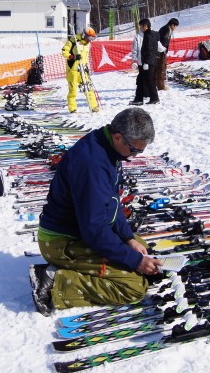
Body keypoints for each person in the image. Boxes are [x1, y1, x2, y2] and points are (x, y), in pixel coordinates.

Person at [30, 107, 163, 316]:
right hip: (61, 242)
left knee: (141, 248)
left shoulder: (107, 147)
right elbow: (94, 230)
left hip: (80, 231)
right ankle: (54, 282)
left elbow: (112, 202)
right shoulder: (92, 165)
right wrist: (134, 262)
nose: (135, 156)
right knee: (133, 286)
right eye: (134, 150)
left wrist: (128, 239)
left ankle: (126, 257)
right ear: (118, 137)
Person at [61, 27, 99, 113]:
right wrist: (72, 57)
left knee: (88, 88)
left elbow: (85, 57)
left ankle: (93, 106)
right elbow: (64, 52)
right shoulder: (73, 40)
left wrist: (86, 66)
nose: (90, 40)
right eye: (89, 38)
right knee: (73, 91)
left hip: (82, 69)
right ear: (84, 35)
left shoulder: (88, 44)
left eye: (91, 39)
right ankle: (72, 108)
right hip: (73, 70)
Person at [129, 19, 163, 106]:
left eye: (141, 26)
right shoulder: (150, 34)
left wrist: (146, 62)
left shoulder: (147, 36)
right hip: (145, 62)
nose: (140, 28)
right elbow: (159, 47)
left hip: (145, 62)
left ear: (145, 25)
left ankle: (154, 98)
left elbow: (149, 50)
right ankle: (139, 99)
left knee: (149, 80)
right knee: (141, 80)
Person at [155, 18, 179, 90]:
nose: (175, 28)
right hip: (160, 51)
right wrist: (164, 50)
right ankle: (161, 86)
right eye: (175, 26)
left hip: (158, 50)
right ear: (172, 25)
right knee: (161, 68)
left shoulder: (165, 28)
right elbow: (164, 40)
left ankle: (155, 84)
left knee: (157, 69)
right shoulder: (167, 29)